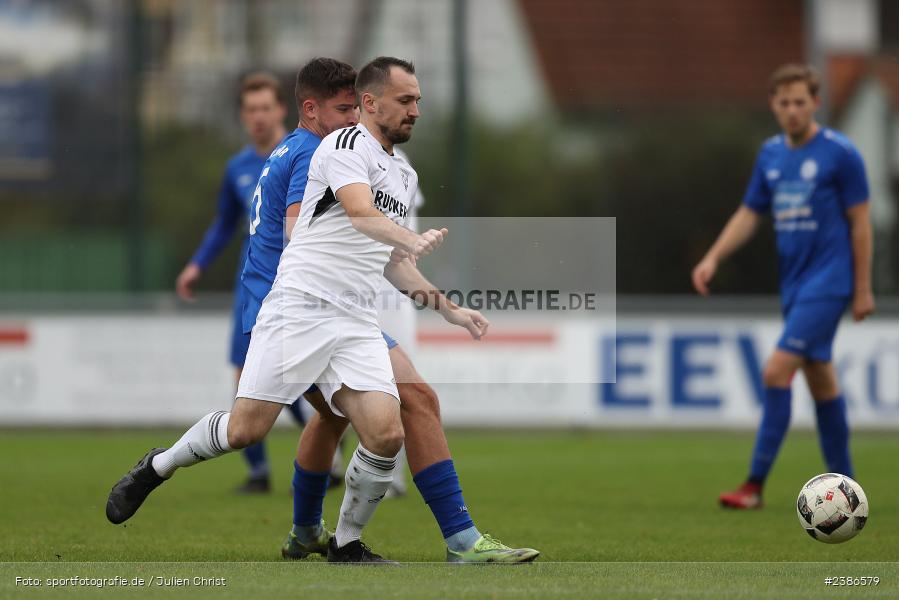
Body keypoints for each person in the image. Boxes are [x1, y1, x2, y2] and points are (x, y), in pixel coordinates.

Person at [106, 57, 538, 564]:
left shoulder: (399, 170)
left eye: (418, 100)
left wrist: (449, 309)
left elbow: (390, 261)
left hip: (351, 318)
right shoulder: (334, 146)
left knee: (385, 428)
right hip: (300, 308)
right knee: (250, 430)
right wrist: (404, 236)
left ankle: (349, 543)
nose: (415, 111)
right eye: (405, 100)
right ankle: (161, 466)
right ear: (361, 105)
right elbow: (348, 218)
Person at [691, 63, 874, 509]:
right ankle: (847, 490)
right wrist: (714, 256)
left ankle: (753, 486)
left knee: (776, 370)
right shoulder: (771, 155)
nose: (792, 110)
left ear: (815, 103)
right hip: (795, 286)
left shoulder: (840, 153)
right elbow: (749, 213)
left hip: (829, 282)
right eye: (784, 102)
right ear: (773, 106)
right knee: (821, 380)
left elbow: (861, 223)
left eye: (800, 102)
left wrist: (862, 287)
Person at [172, 72, 335, 494]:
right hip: (255, 286)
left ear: (282, 109)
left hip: (302, 281)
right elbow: (226, 222)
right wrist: (197, 265)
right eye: (251, 110)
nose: (259, 117)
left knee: (304, 379)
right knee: (246, 374)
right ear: (243, 116)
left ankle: (326, 456)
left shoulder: (306, 153)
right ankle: (259, 472)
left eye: (266, 107)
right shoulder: (238, 167)